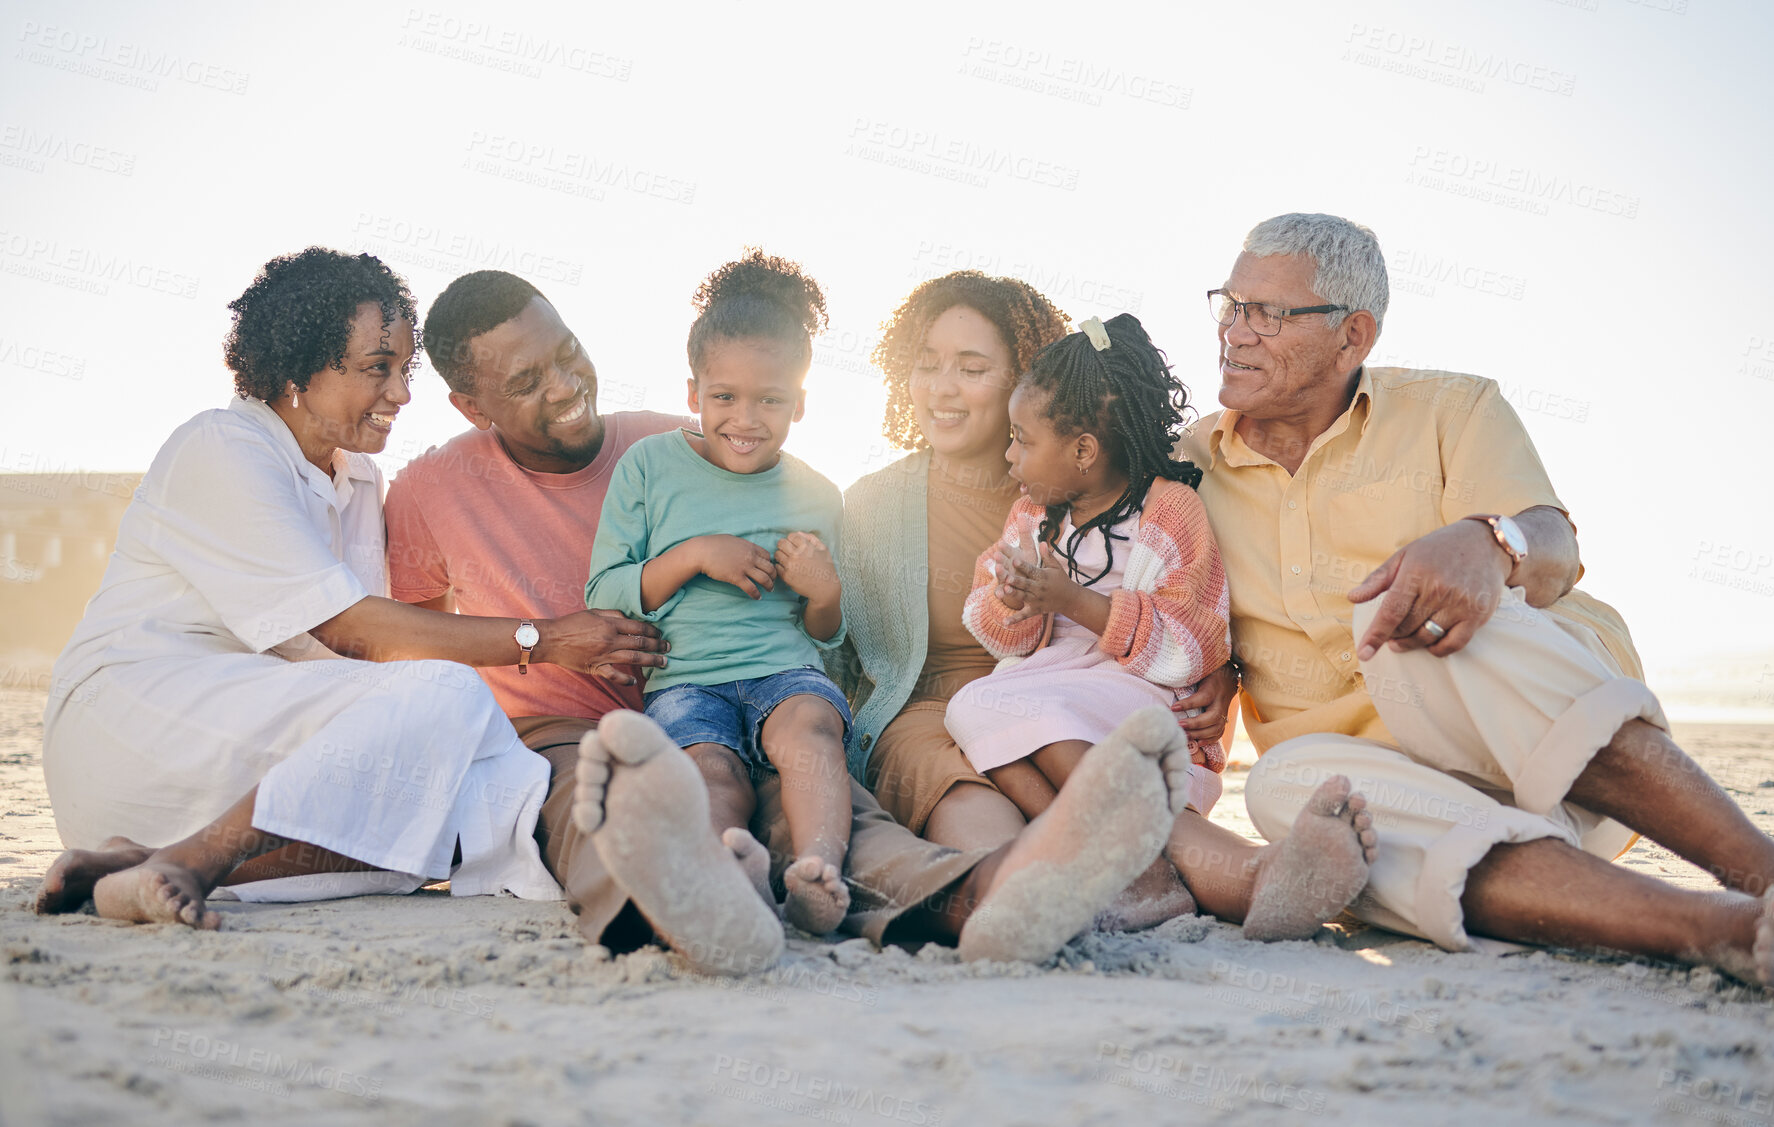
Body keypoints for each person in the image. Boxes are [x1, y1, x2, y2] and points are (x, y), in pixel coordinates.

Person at [388, 267, 1209, 971]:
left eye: (567, 355)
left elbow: (828, 621)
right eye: (527, 382)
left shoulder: (681, 442)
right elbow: (396, 644)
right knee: (614, 803)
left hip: (770, 687)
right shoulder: (430, 488)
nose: (565, 386)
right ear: (469, 404)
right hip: (571, 725)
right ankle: (696, 907)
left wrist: (1214, 667)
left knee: (839, 806)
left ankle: (983, 893)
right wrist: (541, 640)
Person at [1176, 211, 1774, 983]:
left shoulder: (1452, 409)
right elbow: (1155, 590)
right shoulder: (1187, 467)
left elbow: (1555, 549)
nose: (1236, 331)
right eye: (1231, 304)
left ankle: (1760, 870)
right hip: (1415, 806)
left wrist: (1492, 544)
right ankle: (1727, 931)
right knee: (1285, 788)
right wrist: (1212, 656)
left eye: (1267, 312)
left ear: (1353, 336)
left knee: (1399, 605)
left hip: (1567, 755)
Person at [34, 249, 661, 929]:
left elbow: (364, 669)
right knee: (451, 695)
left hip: (251, 740)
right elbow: (350, 629)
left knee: (452, 805)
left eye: (401, 369)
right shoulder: (222, 446)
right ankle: (193, 861)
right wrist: (545, 640)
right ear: (299, 370)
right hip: (139, 725)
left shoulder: (358, 479)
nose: (400, 393)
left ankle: (139, 861)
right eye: (376, 369)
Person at [837, 274, 1379, 941]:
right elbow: (861, 633)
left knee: (1063, 747)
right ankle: (1157, 876)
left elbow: (1205, 617)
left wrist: (1222, 671)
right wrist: (1016, 600)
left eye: (973, 368)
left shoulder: (1147, 494)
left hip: (1111, 698)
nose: (943, 386)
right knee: (986, 732)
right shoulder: (974, 509)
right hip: (983, 708)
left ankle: (1230, 873)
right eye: (927, 364)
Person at [585, 250, 855, 936]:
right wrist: (694, 555)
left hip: (784, 673)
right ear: (693, 393)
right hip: (689, 680)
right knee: (708, 771)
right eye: (724, 396)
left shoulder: (817, 493)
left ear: (800, 401)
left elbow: (827, 632)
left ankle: (817, 870)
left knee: (814, 734)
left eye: (771, 399)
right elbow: (606, 593)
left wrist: (824, 588)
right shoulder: (648, 466)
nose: (746, 417)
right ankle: (723, 877)